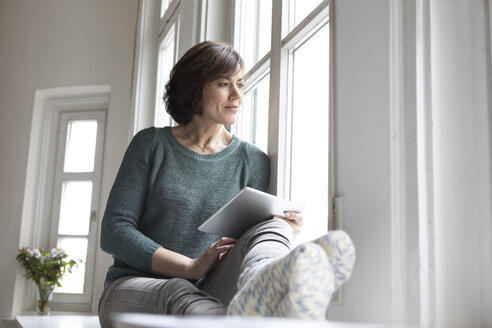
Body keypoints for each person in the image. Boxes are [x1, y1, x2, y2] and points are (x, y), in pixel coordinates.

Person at [98, 41, 355, 327]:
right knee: (177, 289)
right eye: (223, 83)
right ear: (194, 90)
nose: (237, 95)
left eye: (240, 84)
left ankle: (270, 282)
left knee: (272, 225)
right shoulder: (151, 145)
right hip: (133, 288)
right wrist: (190, 267)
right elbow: (114, 232)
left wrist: (282, 229)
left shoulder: (253, 160)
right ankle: (258, 319)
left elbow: (241, 241)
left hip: (209, 289)